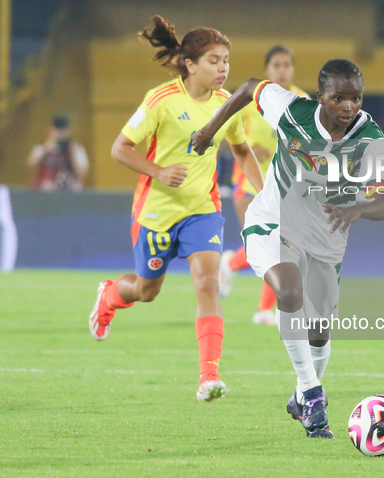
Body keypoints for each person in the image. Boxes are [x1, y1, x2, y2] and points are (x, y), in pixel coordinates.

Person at [192, 59, 384, 437]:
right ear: (320, 98)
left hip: (325, 241)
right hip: (271, 221)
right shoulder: (292, 109)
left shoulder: (370, 137)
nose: (349, 107)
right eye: (339, 98)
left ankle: (302, 394)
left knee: (319, 331)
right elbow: (249, 87)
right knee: (289, 290)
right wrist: (208, 131)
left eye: (356, 98)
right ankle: (314, 397)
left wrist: (358, 209)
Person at [88, 16, 263, 402]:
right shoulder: (160, 100)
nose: (223, 68)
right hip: (157, 210)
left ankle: (208, 377)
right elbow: (120, 148)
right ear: (191, 64)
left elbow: (240, 150)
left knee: (207, 281)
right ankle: (110, 294)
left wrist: (264, 193)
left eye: (226, 60)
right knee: (147, 291)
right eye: (214, 61)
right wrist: (159, 171)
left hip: (203, 209)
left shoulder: (226, 105)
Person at [221, 46, 310, 326]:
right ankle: (233, 266)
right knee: (265, 244)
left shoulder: (302, 101)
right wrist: (246, 146)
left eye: (287, 64)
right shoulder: (252, 99)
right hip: (248, 182)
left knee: (281, 246)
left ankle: (261, 307)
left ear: (293, 69)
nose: (282, 70)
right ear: (267, 70)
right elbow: (222, 131)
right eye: (276, 65)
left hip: (285, 184)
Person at [27, 116, 89, 191]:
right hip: (45, 190)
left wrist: (72, 153)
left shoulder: (76, 148)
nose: (60, 133)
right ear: (50, 129)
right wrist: (45, 150)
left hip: (69, 190)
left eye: (63, 130)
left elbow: (83, 172)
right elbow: (30, 165)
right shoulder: (42, 146)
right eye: (57, 129)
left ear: (69, 130)